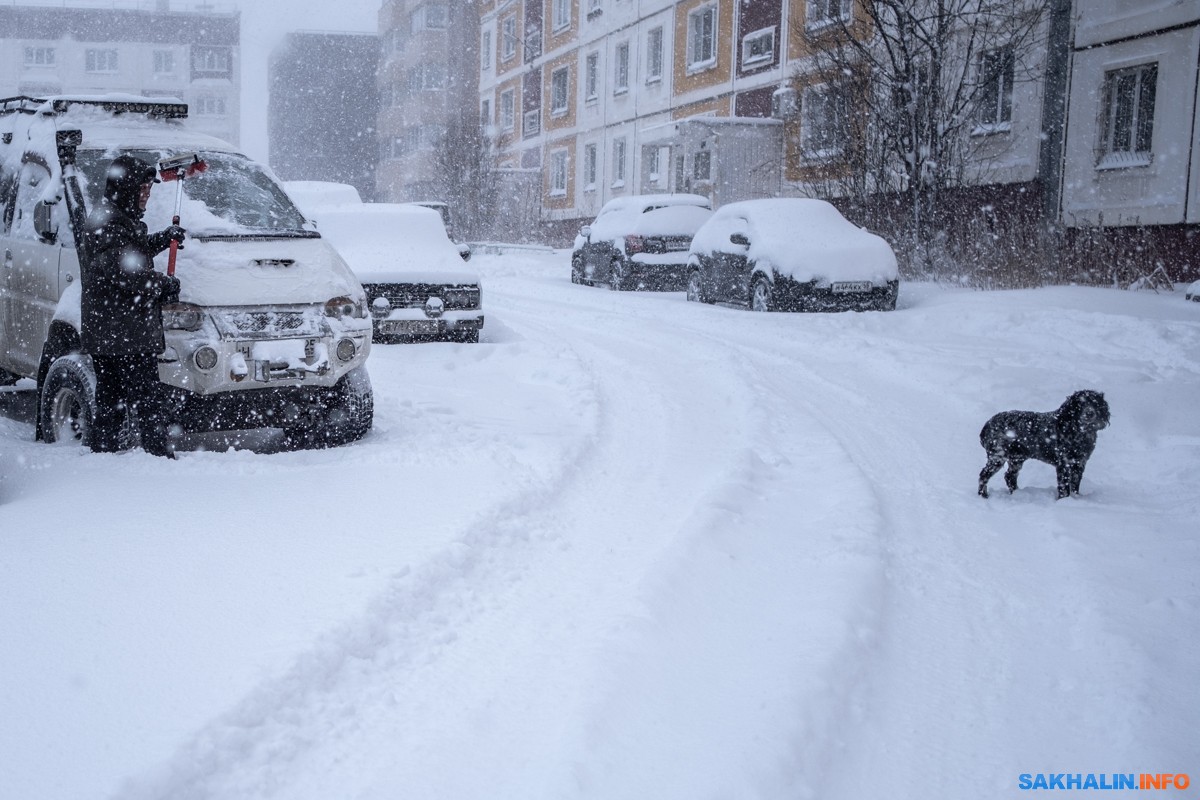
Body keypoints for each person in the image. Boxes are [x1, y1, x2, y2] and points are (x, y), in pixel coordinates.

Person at [80, 154, 186, 457]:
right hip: (122, 334)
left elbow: (131, 252)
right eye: (142, 191)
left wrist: (163, 239)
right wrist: (162, 285)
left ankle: (105, 453)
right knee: (146, 400)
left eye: (148, 191)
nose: (146, 197)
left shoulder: (116, 219)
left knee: (112, 399)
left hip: (115, 333)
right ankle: (156, 456)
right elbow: (125, 271)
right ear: (125, 189)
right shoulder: (108, 223)